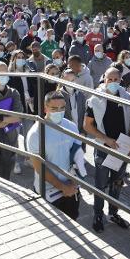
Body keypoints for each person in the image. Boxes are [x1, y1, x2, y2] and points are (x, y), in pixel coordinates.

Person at [84, 68, 130, 232]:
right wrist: (106, 140)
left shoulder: (126, 96)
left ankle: (113, 213)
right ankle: (98, 215)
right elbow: (87, 125)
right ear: (104, 79)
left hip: (122, 148)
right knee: (100, 185)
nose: (113, 82)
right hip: (103, 148)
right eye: (110, 79)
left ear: (120, 80)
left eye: (116, 79)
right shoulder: (95, 99)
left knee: (117, 183)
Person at [27, 91, 82, 220]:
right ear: (45, 108)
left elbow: (77, 156)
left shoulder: (72, 126)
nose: (59, 112)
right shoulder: (36, 133)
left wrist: (73, 183)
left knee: (73, 221)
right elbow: (39, 167)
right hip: (48, 191)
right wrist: (63, 187)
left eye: (62, 108)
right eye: (54, 108)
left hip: (71, 187)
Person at [58, 69, 87, 138]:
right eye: (67, 81)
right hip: (66, 134)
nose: (70, 83)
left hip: (80, 134)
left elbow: (85, 114)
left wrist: (83, 132)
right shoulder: (58, 96)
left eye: (73, 80)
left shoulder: (81, 94)